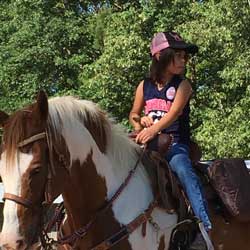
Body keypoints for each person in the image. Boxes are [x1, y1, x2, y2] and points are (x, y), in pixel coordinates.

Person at [129, 31, 213, 250]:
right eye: (177, 55)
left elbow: (174, 114)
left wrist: (154, 128)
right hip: (149, 146)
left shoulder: (183, 85)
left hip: (175, 144)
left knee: (184, 170)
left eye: (184, 56)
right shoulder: (144, 86)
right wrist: (141, 123)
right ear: (160, 56)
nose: (183, 60)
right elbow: (133, 114)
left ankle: (204, 226)